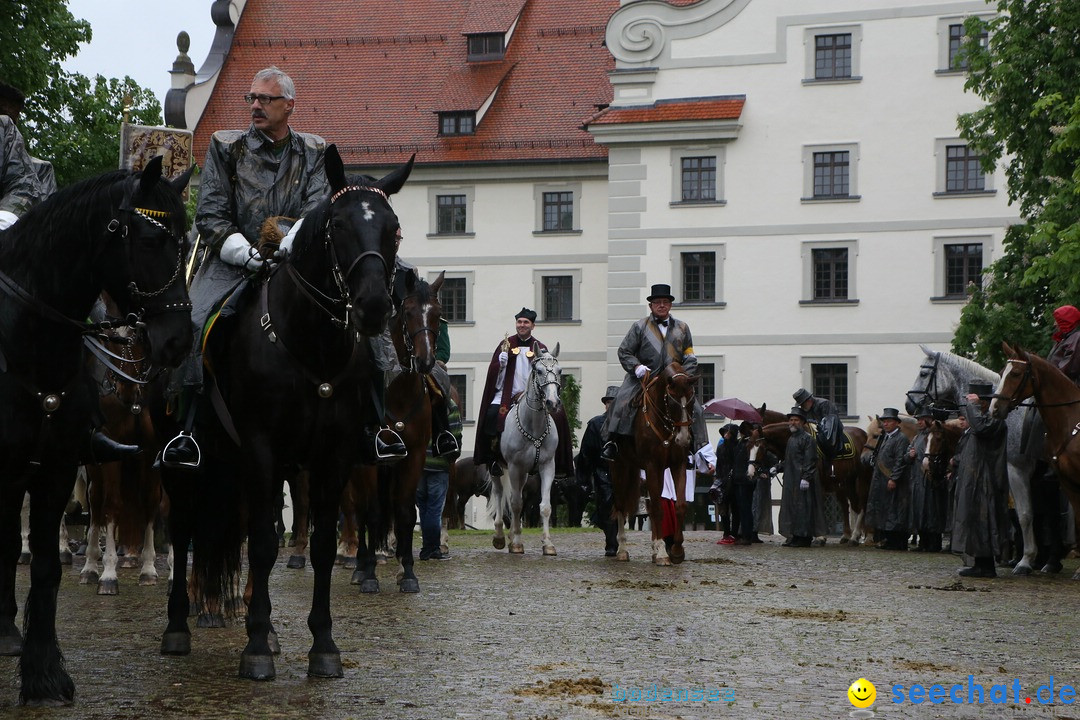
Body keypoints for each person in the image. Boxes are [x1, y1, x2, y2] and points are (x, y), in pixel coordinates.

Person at [161, 67, 404, 467]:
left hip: (301, 257)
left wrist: (290, 244)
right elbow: (211, 212)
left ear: (289, 105)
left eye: (265, 99)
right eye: (251, 98)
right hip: (231, 258)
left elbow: (318, 207)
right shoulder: (227, 145)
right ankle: (188, 430)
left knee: (370, 326)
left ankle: (377, 425)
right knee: (195, 319)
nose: (255, 106)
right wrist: (242, 250)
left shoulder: (314, 150)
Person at [1, 82, 133, 464]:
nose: (10, 116)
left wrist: (3, 223)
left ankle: (88, 425)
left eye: (11, 110)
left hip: (16, 262)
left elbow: (24, 189)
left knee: (90, 318)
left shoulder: (23, 153)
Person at [600, 283, 708, 461]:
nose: (662, 305)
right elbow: (624, 351)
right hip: (644, 378)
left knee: (696, 407)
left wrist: (683, 374)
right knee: (621, 400)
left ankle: (695, 448)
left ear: (670, 305)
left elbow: (690, 355)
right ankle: (613, 442)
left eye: (665, 301)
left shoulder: (683, 328)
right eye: (657, 302)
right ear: (651, 306)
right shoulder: (639, 326)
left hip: (675, 380)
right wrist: (636, 367)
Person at [472, 307, 573, 478]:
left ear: (533, 326)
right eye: (519, 322)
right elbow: (493, 376)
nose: (522, 325)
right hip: (507, 394)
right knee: (491, 414)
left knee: (559, 416)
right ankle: (493, 458)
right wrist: (501, 365)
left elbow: (549, 372)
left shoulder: (541, 348)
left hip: (534, 396)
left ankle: (560, 463)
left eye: (526, 322)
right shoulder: (506, 345)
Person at [951, 381, 1010, 578]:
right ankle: (979, 563)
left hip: (987, 481)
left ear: (984, 402)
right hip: (973, 479)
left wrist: (973, 406)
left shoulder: (994, 420)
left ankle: (987, 566)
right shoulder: (982, 420)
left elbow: (981, 428)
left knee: (986, 522)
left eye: (975, 402)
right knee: (974, 521)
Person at [416, 393, 463, 561]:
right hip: (439, 465)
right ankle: (432, 548)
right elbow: (456, 434)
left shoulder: (417, 400)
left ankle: (426, 548)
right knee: (435, 510)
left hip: (418, 465)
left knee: (424, 507)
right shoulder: (450, 405)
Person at [578, 386, 620, 556]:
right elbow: (585, 453)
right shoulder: (595, 424)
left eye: (613, 402)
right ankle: (611, 544)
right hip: (602, 470)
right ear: (605, 405)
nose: (610, 406)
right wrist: (584, 479)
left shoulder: (628, 424)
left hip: (623, 470)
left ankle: (614, 541)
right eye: (608, 402)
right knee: (606, 506)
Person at [778, 407, 824, 547]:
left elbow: (810, 460)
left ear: (802, 422)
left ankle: (804, 537)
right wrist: (777, 467)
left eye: (796, 420)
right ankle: (794, 535)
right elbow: (789, 459)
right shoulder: (791, 439)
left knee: (803, 508)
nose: (792, 422)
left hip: (803, 479)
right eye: (791, 420)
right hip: (791, 479)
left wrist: (806, 477)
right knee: (792, 508)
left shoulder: (808, 439)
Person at [867, 407, 912, 551]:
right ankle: (888, 539)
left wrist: (894, 478)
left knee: (895, 511)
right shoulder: (884, 437)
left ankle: (897, 542)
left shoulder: (901, 438)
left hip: (894, 481)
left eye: (889, 421)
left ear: (896, 423)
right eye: (884, 421)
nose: (885, 424)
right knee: (886, 511)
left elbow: (900, 461)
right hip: (881, 480)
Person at [0, 82, 43, 230]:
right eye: (16, 112)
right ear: (5, 106)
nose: (17, 119)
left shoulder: (40, 168)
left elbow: (24, 184)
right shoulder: (5, 124)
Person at [904, 405, 947, 552]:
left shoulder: (933, 435)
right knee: (918, 512)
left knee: (932, 511)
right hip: (916, 479)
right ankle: (923, 542)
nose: (920, 422)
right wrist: (909, 455)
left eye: (923, 419)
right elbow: (906, 456)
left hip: (929, 479)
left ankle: (934, 543)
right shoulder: (916, 437)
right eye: (918, 419)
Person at [792, 387, 845, 460]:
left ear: (808, 400)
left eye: (802, 404)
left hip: (830, 434)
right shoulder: (804, 409)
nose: (802, 407)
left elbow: (829, 426)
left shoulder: (824, 404)